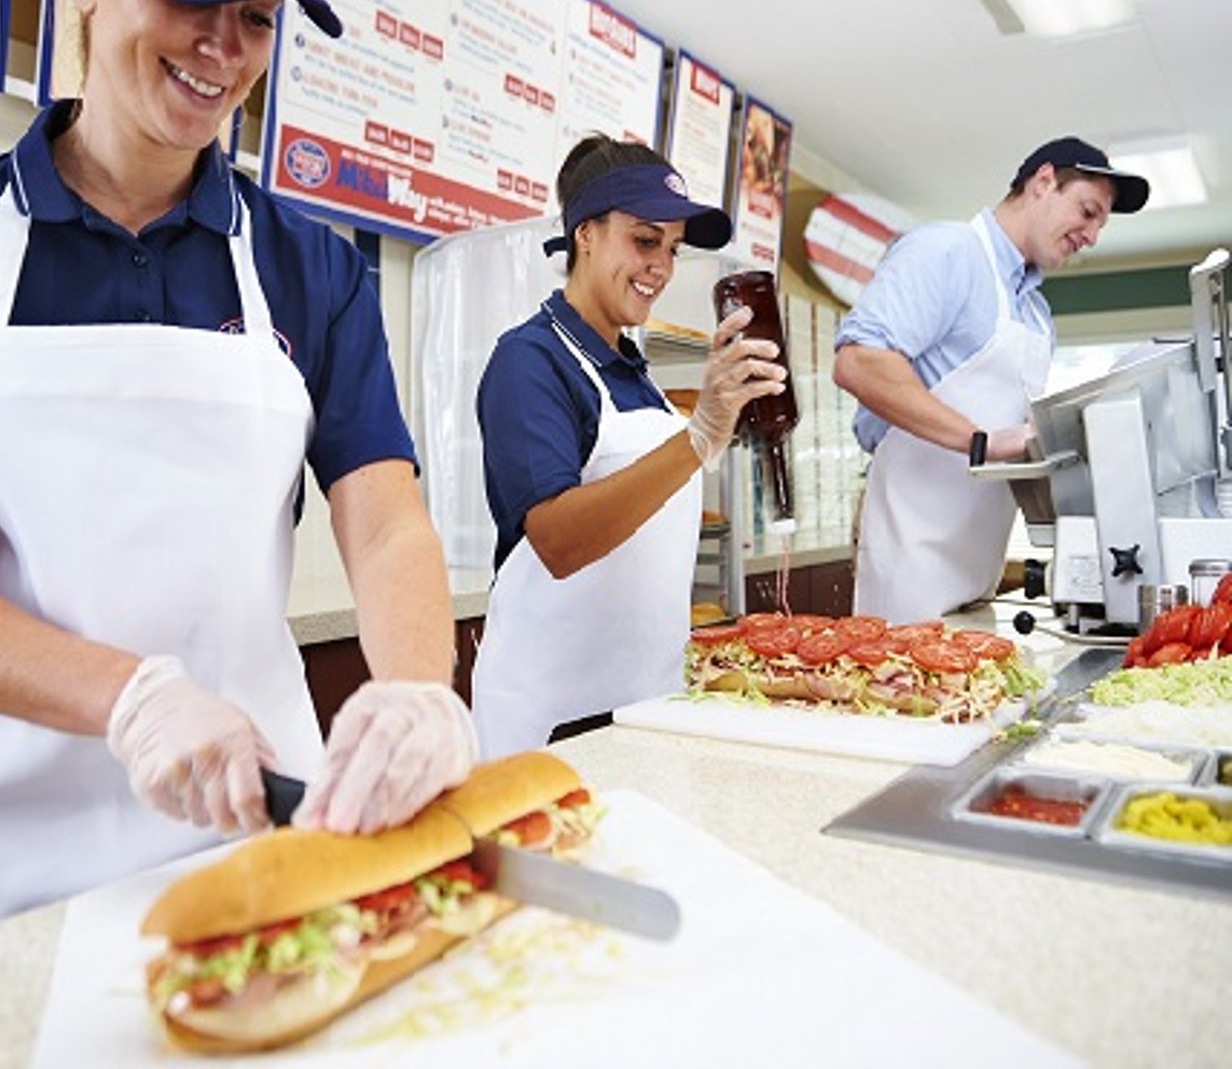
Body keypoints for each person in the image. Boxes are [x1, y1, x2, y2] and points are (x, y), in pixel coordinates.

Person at [0, 0, 475, 961]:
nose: (223, 46)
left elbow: (385, 522)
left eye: (255, 17)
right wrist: (133, 694)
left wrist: (421, 692)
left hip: (257, 847)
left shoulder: (311, 267)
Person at [471, 135, 789, 757]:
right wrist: (698, 440)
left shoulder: (635, 373)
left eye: (671, 249)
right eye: (645, 241)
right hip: (552, 729)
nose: (662, 268)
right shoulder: (531, 361)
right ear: (584, 233)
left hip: (647, 711)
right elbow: (559, 542)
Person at [832, 137, 1149, 624]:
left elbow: (1019, 440)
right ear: (1043, 182)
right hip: (910, 565)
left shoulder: (1037, 314)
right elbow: (859, 360)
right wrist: (980, 441)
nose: (1091, 236)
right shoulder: (948, 251)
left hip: (979, 572)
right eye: (1087, 212)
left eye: (1100, 224)